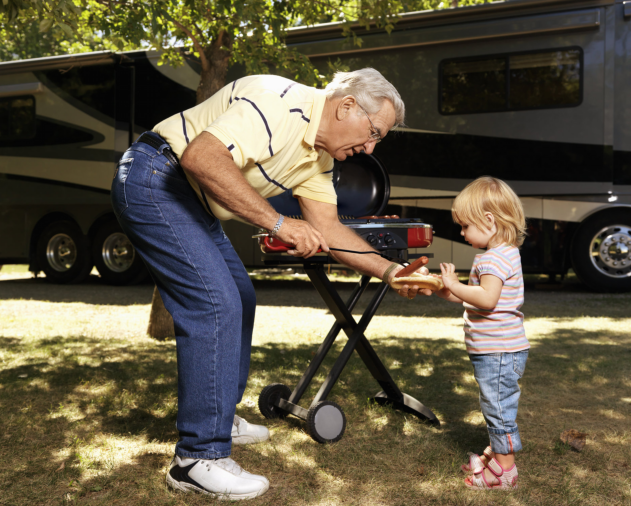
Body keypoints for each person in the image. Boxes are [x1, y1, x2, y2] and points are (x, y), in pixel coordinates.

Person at [111, 69, 430, 500]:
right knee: (215, 304)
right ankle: (196, 457)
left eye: (379, 140)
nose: (371, 148)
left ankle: (218, 419)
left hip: (191, 197)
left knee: (240, 297)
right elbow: (201, 158)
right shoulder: (280, 103)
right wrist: (280, 223)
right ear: (347, 105)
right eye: (373, 133)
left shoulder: (319, 157)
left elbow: (329, 230)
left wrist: (391, 272)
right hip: (156, 177)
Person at [435, 176, 529, 491]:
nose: (462, 232)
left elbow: (486, 300)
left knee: (498, 408)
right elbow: (474, 297)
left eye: (465, 226)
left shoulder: (494, 259)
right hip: (497, 350)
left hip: (498, 351)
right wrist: (444, 289)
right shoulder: (501, 254)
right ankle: (495, 453)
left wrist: (454, 285)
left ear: (488, 220)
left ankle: (505, 472)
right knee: (495, 405)